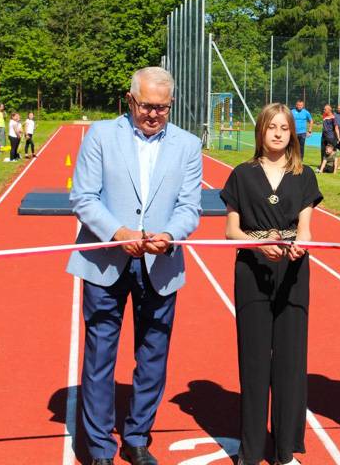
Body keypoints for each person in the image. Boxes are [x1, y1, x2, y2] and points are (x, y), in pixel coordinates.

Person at [66, 66, 203, 465]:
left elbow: (189, 207)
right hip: (106, 261)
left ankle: (138, 437)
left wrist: (169, 233)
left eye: (162, 107)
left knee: (153, 356)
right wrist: (116, 231)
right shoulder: (101, 136)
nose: (154, 114)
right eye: (146, 105)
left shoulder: (188, 145)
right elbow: (83, 197)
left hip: (160, 264)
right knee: (99, 355)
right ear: (130, 100)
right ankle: (100, 448)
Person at [220, 103, 322, 465]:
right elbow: (231, 230)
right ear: (260, 131)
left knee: (291, 361)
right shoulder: (241, 175)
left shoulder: (305, 175)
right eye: (271, 127)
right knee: (254, 359)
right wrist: (258, 243)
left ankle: (284, 450)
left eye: (284, 127)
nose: (278, 133)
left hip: (294, 272)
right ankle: (250, 451)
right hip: (252, 269)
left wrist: (299, 247)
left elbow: (307, 230)